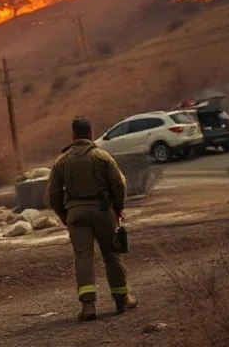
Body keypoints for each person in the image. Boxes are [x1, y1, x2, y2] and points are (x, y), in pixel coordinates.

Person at [46, 116, 137, 322]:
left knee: (83, 257)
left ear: (73, 135)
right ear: (90, 133)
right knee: (112, 254)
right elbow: (119, 184)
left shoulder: (62, 160)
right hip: (103, 211)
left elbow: (52, 193)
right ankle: (122, 300)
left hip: (75, 214)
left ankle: (88, 306)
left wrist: (64, 215)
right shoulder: (102, 156)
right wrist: (118, 208)